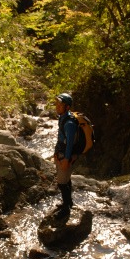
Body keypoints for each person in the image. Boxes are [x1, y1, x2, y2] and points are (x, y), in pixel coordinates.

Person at [53, 92, 79, 220]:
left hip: (66, 156)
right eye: (57, 104)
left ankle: (66, 209)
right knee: (66, 180)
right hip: (61, 154)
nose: (57, 106)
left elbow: (69, 144)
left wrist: (66, 160)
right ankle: (68, 202)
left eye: (60, 105)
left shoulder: (69, 123)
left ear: (67, 107)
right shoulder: (63, 117)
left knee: (62, 184)